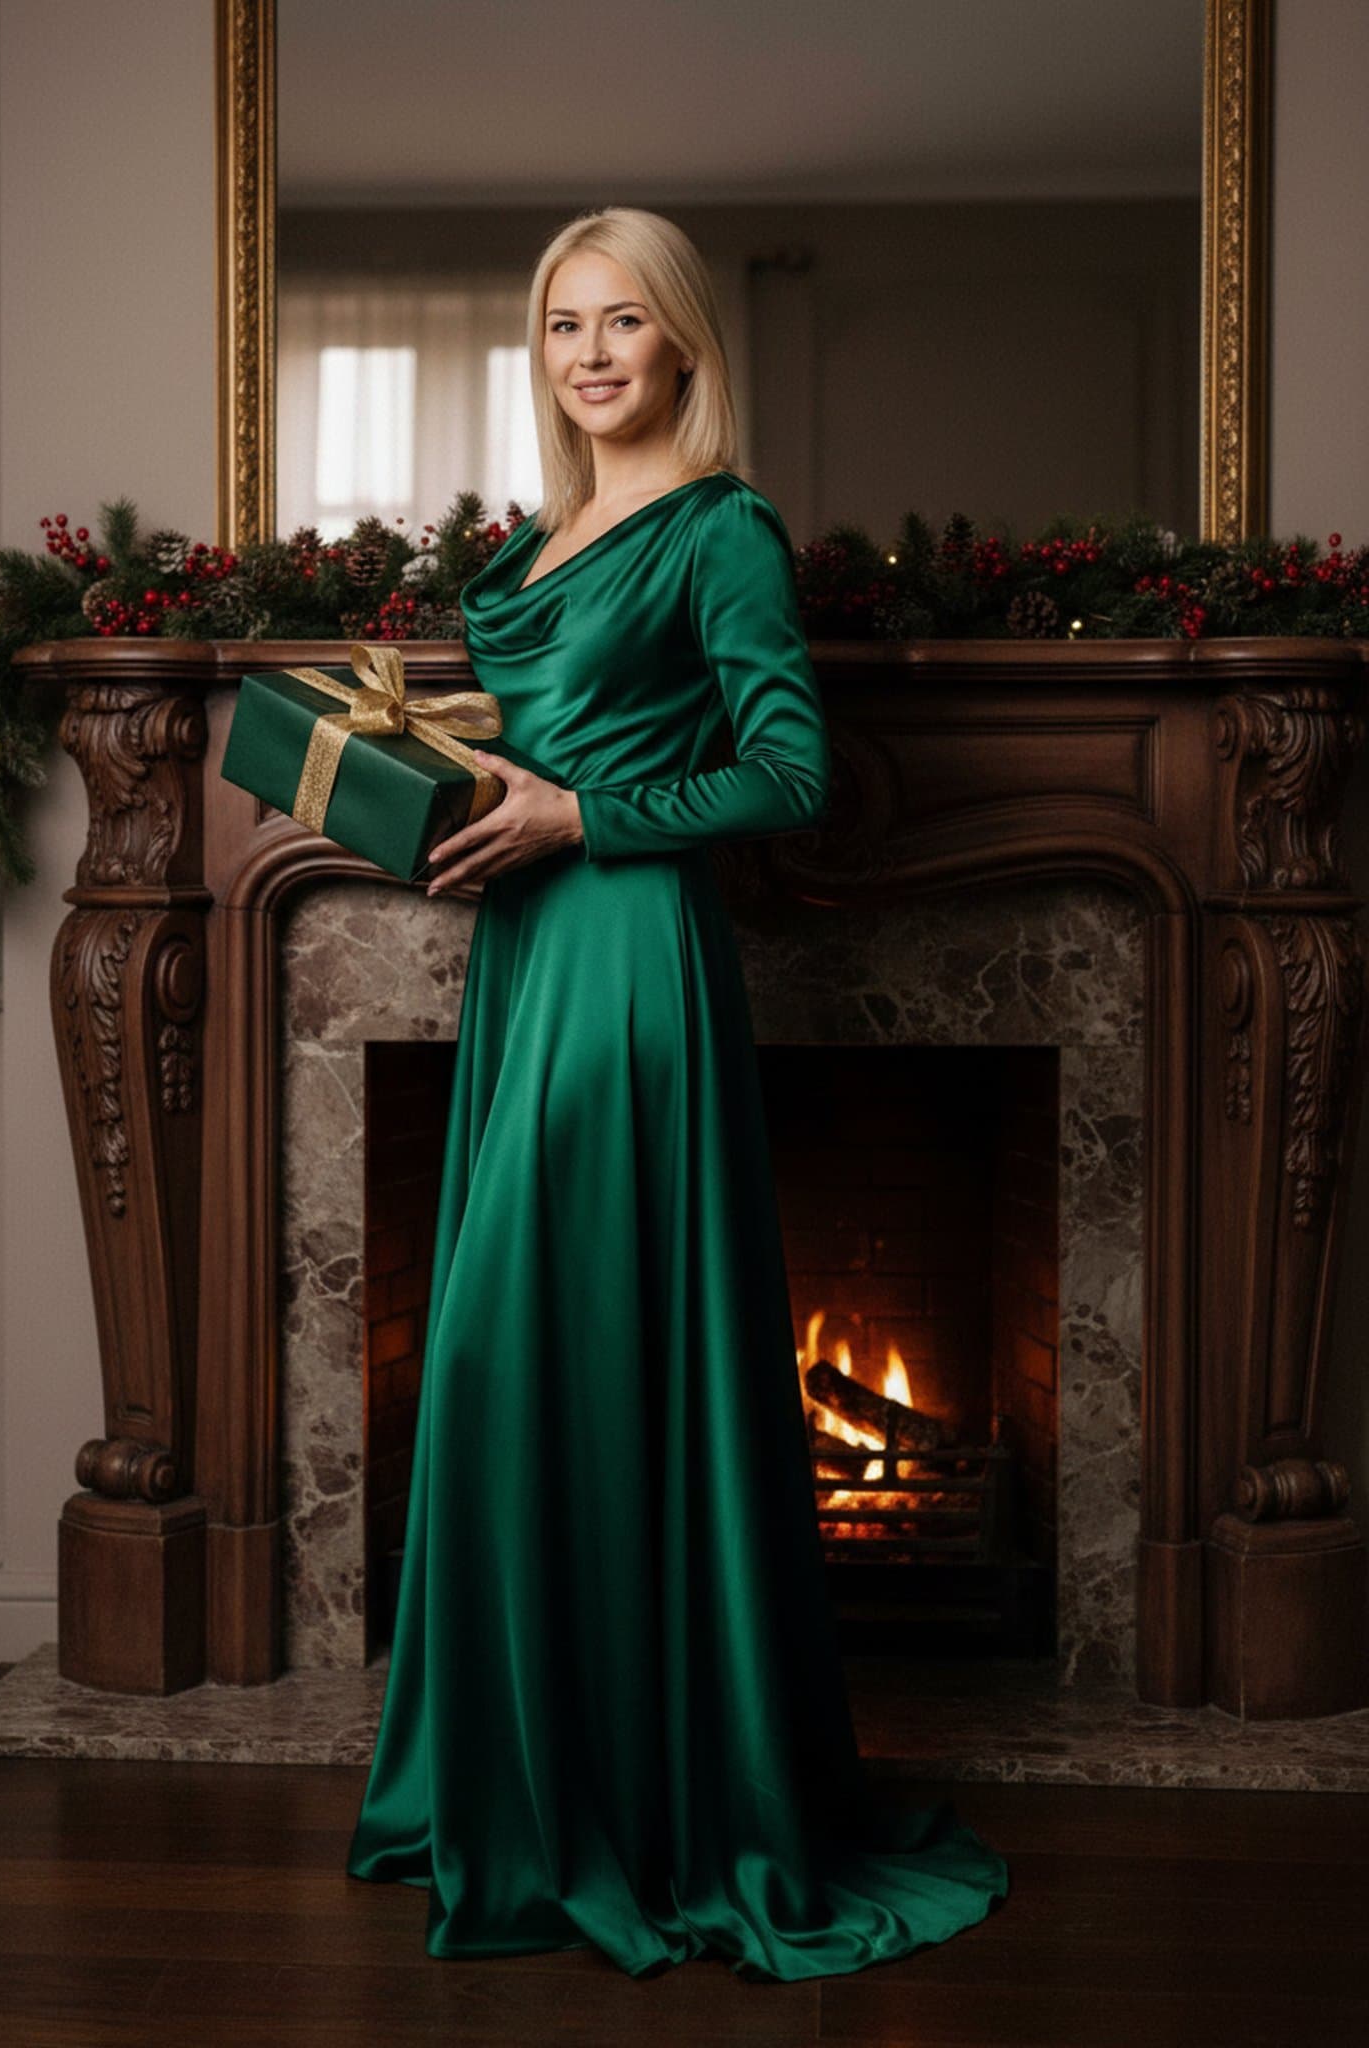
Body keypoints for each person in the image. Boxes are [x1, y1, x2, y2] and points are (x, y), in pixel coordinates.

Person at [344, 204, 1010, 1980]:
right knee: (507, 1360)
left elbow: (788, 769)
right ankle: (522, 1784)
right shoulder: (556, 529)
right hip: (528, 963)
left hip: (634, 966)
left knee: (564, 1347)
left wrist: (582, 814)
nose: (589, 353)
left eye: (622, 322)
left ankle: (652, 1802)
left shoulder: (724, 530)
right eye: (563, 325)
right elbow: (552, 731)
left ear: (686, 345)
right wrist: (457, 782)